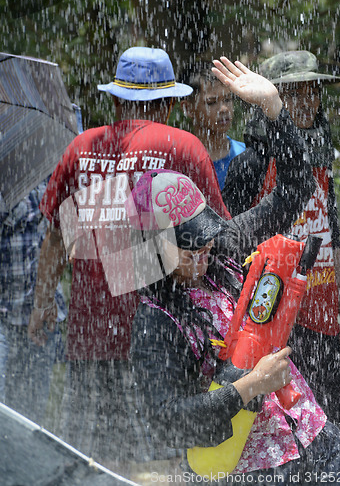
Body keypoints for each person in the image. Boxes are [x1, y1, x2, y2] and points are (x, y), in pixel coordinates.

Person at [27, 47, 236, 467]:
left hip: (89, 336)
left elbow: (55, 239)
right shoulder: (183, 147)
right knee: (155, 467)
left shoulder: (81, 148)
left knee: (89, 463)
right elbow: (220, 236)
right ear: (169, 102)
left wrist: (42, 303)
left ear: (117, 99)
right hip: (160, 338)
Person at [129, 168, 340, 485]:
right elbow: (167, 421)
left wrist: (276, 117)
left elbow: (297, 185)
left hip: (315, 434)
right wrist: (253, 385)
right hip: (254, 469)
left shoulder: (225, 253)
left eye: (205, 233)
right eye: (189, 241)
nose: (204, 247)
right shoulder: (154, 321)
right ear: (151, 248)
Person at [222, 50, 340, 444]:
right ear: (272, 100)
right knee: (280, 438)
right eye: (294, 94)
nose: (307, 103)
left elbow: (329, 238)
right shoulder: (250, 165)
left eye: (313, 92)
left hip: (322, 315)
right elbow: (232, 253)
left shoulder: (322, 160)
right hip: (275, 322)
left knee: (338, 434)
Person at [0, 183, 67, 425]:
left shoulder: (51, 171)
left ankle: (22, 462)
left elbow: (61, 236)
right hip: (3, 314)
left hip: (42, 311)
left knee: (30, 416)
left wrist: (45, 300)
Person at [180, 61, 245, 189]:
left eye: (227, 99)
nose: (224, 109)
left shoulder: (245, 156)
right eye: (211, 102)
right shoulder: (180, 163)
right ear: (188, 109)